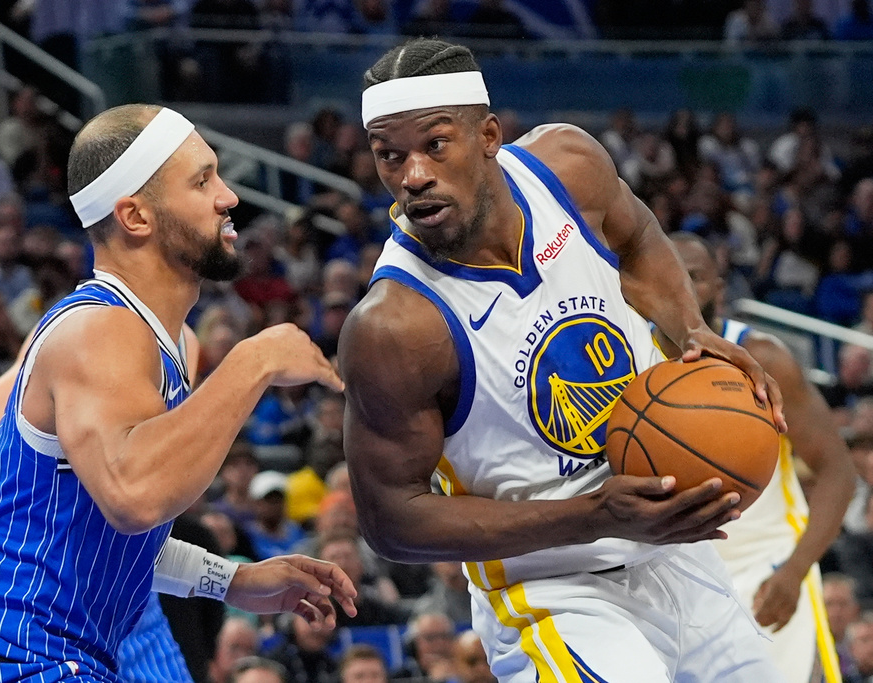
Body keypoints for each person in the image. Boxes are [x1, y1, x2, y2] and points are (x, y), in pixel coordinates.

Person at [339, 38, 786, 683]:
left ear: (488, 134)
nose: (412, 175)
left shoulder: (569, 167)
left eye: (435, 145)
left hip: (676, 556)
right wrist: (596, 514)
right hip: (551, 593)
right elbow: (392, 521)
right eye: (389, 156)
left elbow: (639, 236)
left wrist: (691, 328)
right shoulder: (395, 326)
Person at [0, 104, 356, 682]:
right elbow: (133, 495)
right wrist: (254, 360)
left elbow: (109, 528)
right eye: (202, 180)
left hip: (49, 656)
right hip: (4, 657)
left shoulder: (156, 341)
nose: (229, 196)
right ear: (135, 216)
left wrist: (231, 580)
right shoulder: (100, 328)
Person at [655, 232, 855, 683]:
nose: (683, 286)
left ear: (720, 290)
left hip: (763, 572)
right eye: (672, 274)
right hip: (674, 581)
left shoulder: (763, 360)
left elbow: (838, 472)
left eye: (696, 277)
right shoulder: (629, 362)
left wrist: (796, 569)